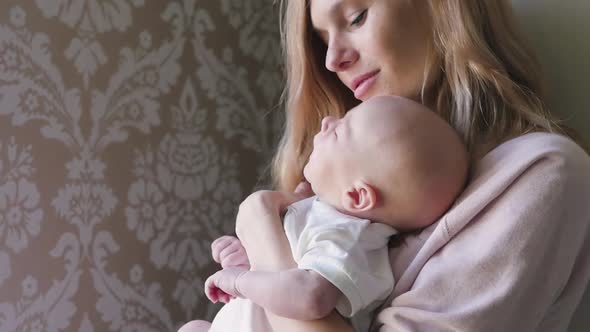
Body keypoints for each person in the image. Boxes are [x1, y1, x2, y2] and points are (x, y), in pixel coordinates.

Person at [184, 0, 590, 331]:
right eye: (321, 39)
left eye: (355, 17)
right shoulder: (342, 182)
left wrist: (259, 227)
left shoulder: (541, 172)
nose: (331, 60)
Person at [179, 96, 468, 332]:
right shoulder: (323, 217)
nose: (328, 122)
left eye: (341, 130)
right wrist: (243, 257)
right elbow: (281, 262)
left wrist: (238, 282)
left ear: (357, 196)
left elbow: (309, 296)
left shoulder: (348, 239)